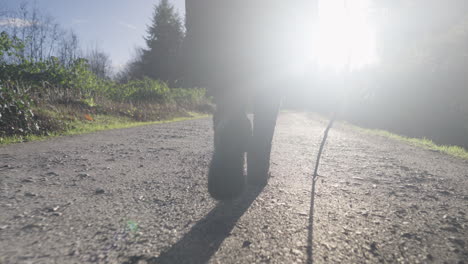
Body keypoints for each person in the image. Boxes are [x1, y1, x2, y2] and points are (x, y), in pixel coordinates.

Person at [184, 0, 316, 200]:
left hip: (225, 25)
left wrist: (195, 34)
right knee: (269, 96)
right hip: (277, 29)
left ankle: (231, 124)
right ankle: (258, 170)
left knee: (230, 90)